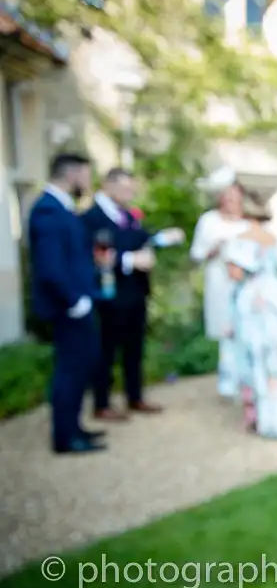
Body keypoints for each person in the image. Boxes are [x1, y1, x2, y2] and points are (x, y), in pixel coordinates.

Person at [81, 168, 181, 419]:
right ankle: (102, 403)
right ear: (109, 185)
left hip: (136, 292)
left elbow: (138, 238)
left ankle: (134, 396)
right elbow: (94, 255)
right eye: (126, 188)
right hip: (110, 294)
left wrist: (159, 239)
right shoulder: (91, 217)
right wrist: (128, 261)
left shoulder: (127, 215)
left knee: (134, 348)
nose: (131, 193)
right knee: (107, 349)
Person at [28, 154, 105, 454]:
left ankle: (75, 428)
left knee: (81, 365)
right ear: (72, 175)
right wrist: (74, 300)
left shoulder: (62, 209)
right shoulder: (48, 210)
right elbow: (50, 266)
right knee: (69, 370)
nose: (87, 182)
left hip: (79, 302)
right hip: (67, 307)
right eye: (85, 175)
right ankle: (65, 437)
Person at [223, 192, 277, 439]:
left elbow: (236, 274)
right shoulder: (272, 237)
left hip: (253, 300)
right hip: (276, 298)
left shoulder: (239, 239)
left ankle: (261, 414)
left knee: (256, 354)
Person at [189, 166, 249, 397]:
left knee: (245, 328)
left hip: (244, 283)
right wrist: (213, 249)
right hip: (219, 282)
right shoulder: (209, 221)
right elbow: (196, 254)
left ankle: (245, 379)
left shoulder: (247, 223)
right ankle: (228, 380)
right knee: (225, 330)